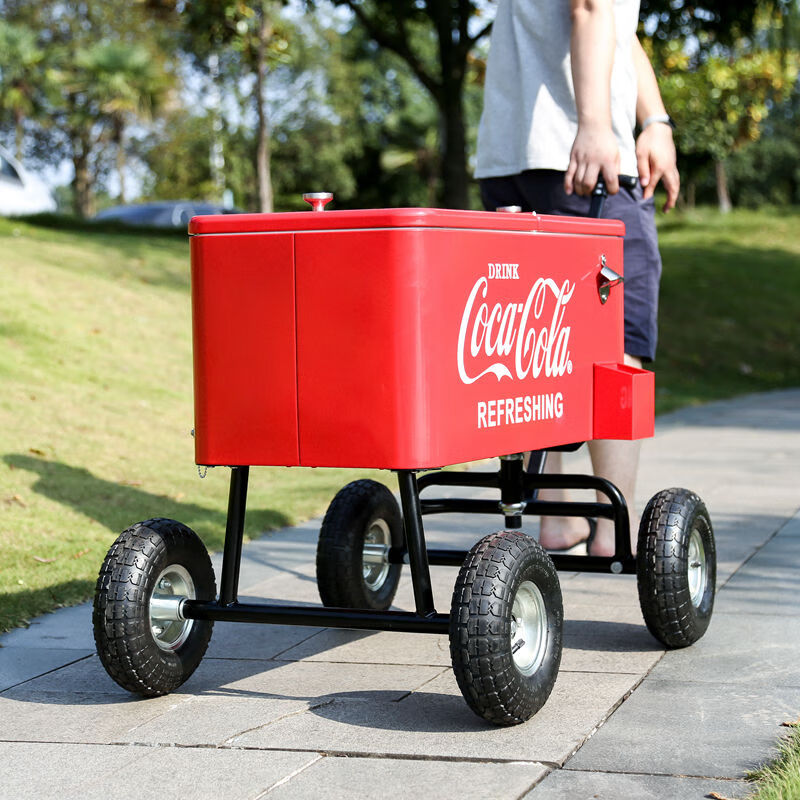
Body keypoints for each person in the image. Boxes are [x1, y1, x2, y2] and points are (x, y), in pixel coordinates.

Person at [474, 0, 679, 557]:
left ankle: (558, 515)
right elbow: (590, 7)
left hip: (510, 157)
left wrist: (655, 119)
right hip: (581, 159)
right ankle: (612, 532)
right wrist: (594, 123)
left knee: (536, 346)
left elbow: (617, 22)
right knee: (618, 341)